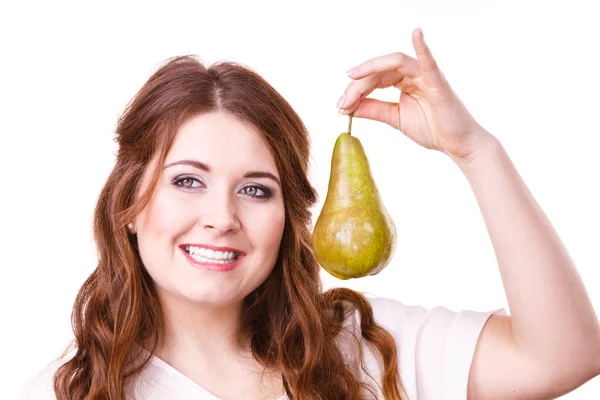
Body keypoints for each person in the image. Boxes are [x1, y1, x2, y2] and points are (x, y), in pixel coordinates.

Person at [20, 28, 600, 400]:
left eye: (256, 190)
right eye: (188, 180)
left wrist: (475, 149)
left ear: (291, 220)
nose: (221, 217)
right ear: (129, 201)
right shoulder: (63, 392)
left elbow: (567, 354)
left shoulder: (368, 348)